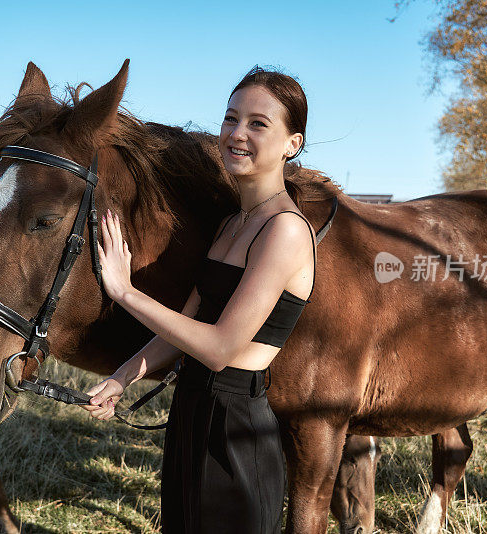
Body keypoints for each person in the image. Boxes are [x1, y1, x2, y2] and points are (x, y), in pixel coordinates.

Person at [80, 65, 317, 533]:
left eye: (258, 123)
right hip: (191, 412)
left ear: (293, 144)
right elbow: (185, 328)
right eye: (231, 119)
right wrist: (123, 377)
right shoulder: (232, 224)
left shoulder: (285, 231)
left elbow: (218, 347)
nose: (237, 133)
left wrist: (124, 291)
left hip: (238, 428)